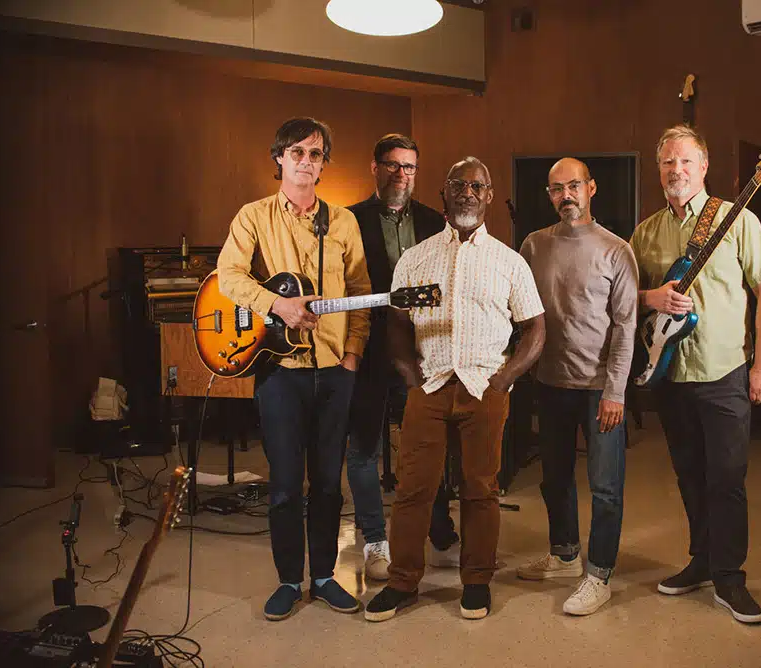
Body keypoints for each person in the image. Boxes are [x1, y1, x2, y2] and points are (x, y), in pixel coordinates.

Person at [364, 157, 546, 622]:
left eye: (477, 186)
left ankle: (476, 581)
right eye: (458, 184)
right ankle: (402, 582)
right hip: (429, 385)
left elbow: (535, 329)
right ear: (444, 193)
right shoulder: (415, 258)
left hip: (484, 389)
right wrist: (411, 378)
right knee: (412, 488)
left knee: (480, 489)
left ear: (489, 196)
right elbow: (397, 325)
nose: (468, 192)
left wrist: (503, 380)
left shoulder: (509, 262)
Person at [216, 117, 371, 621]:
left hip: (334, 370)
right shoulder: (253, 217)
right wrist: (278, 306)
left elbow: (360, 293)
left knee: (327, 482)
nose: (306, 160)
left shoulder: (343, 222)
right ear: (279, 157)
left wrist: (352, 355)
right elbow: (228, 276)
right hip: (279, 370)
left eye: (316, 153)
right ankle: (288, 579)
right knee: (285, 484)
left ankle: (323, 576)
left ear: (324, 164)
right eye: (297, 151)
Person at [629, 124, 761, 624]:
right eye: (668, 162)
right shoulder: (645, 233)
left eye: (686, 161)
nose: (676, 170)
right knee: (689, 473)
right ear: (659, 170)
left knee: (727, 477)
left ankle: (730, 576)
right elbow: (621, 296)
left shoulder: (738, 219)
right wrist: (650, 297)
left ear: (704, 167)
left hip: (724, 373)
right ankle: (701, 560)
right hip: (670, 375)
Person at [516, 157, 639, 616]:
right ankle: (565, 555)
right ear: (549, 195)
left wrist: (615, 392)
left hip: (599, 389)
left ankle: (599, 574)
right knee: (555, 478)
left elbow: (625, 326)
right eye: (556, 189)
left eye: (573, 186)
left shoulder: (616, 250)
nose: (565, 195)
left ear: (591, 188)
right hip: (550, 384)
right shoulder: (533, 246)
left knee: (605, 487)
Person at [346, 133, 459, 582]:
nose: (401, 174)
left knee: (428, 445)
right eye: (392, 165)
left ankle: (440, 533)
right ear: (375, 168)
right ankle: (375, 541)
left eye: (409, 166)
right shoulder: (349, 221)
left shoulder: (434, 222)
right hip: (368, 352)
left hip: (421, 353)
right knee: (363, 450)